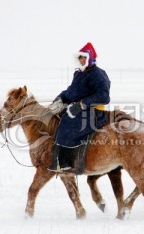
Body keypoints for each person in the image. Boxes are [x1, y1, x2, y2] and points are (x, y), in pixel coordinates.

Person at [47, 42, 111, 172]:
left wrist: (82, 105)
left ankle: (65, 162)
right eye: (79, 58)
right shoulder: (79, 73)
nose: (81, 60)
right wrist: (60, 99)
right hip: (81, 108)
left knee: (67, 122)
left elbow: (104, 96)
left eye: (84, 58)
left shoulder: (97, 74)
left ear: (90, 58)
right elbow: (72, 92)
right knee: (60, 116)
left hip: (95, 112)